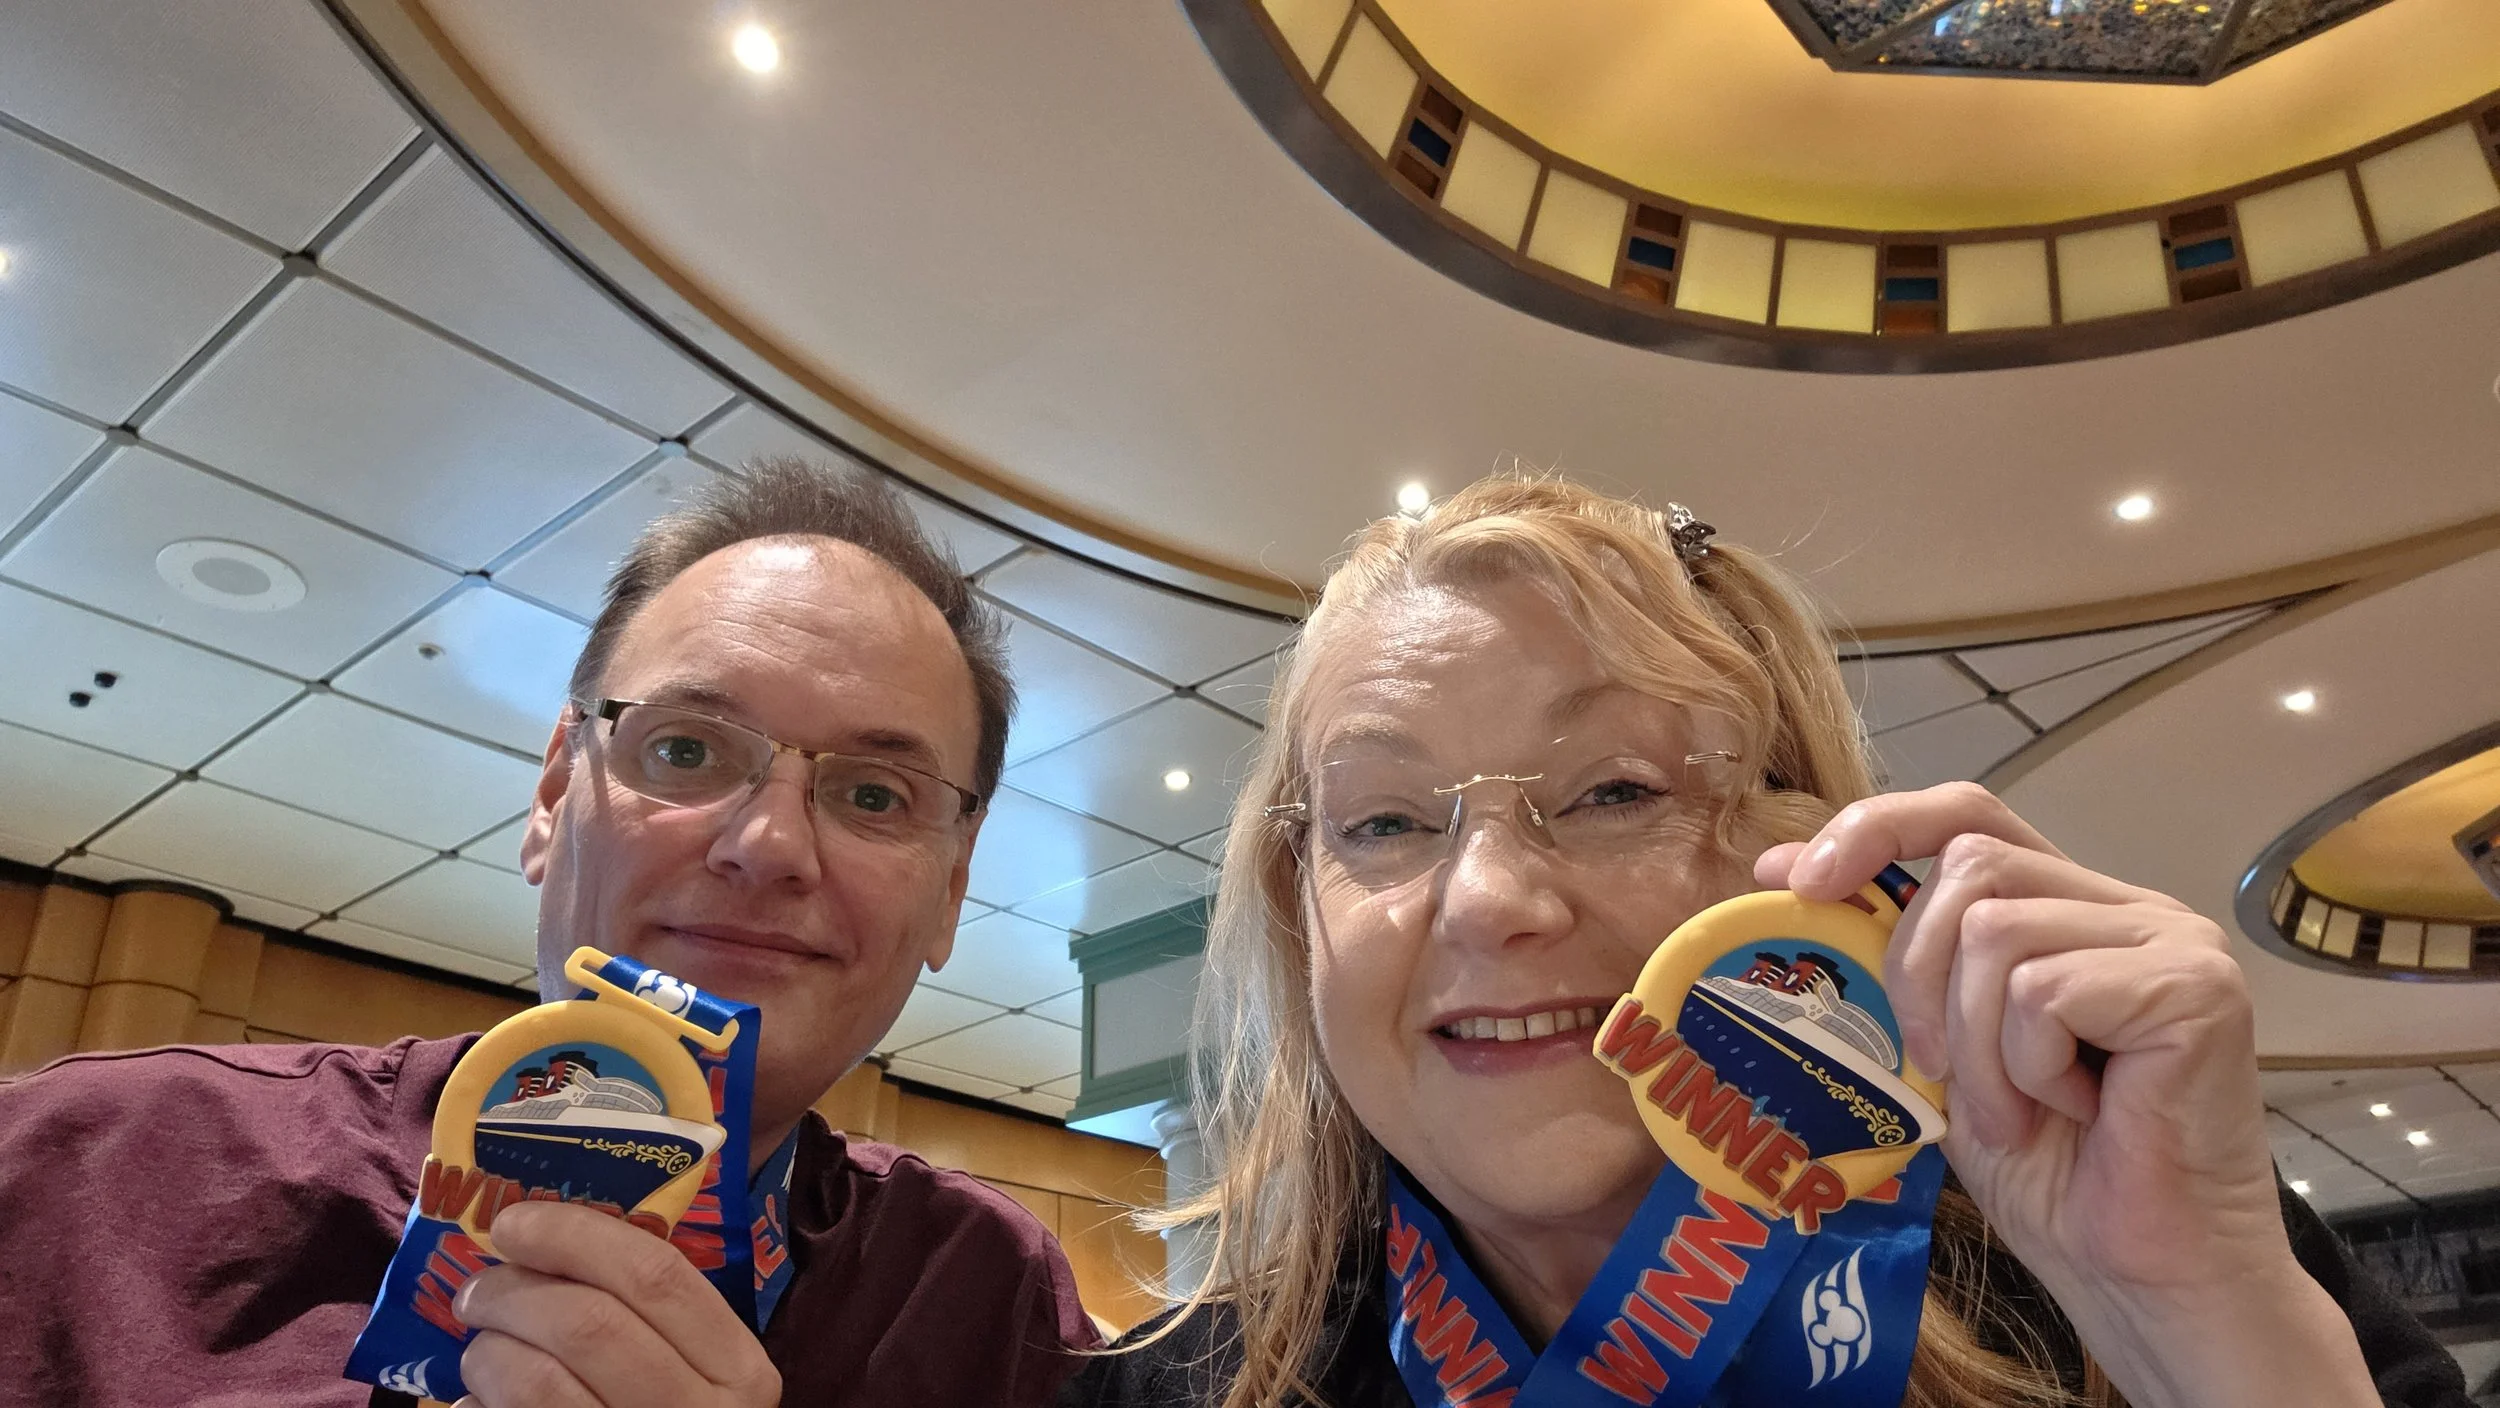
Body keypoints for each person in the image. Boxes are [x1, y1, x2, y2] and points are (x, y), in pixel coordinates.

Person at [1059, 475, 2469, 1408]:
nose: (1488, 899)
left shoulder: (2130, 1259)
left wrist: (2197, 1322)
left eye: (1615, 791)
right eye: (1383, 824)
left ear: (1803, 850)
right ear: (1299, 914)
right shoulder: (1175, 1389)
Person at [0, 458, 1097, 1407]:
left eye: (873, 795)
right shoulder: (86, 1172)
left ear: (951, 887)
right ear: (552, 797)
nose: (767, 844)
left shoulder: (992, 1306)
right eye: (685, 749)